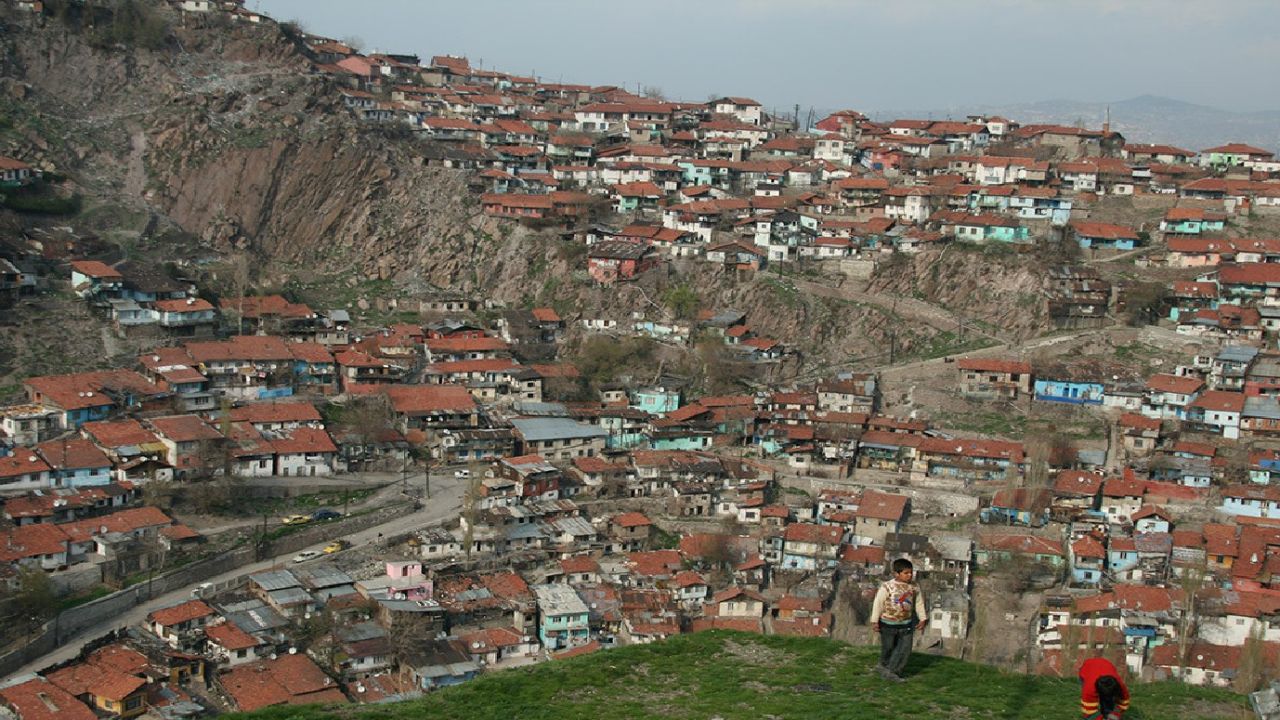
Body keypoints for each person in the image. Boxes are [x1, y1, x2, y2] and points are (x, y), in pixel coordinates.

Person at [870, 558, 927, 681]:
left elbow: (919, 603)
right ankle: (883, 665)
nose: (910, 575)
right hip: (887, 624)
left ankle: (894, 672)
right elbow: (878, 603)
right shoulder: (887, 587)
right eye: (906, 573)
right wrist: (874, 621)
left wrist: (922, 618)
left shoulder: (914, 587)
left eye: (911, 572)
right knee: (889, 647)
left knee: (904, 649)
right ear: (896, 573)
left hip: (906, 624)